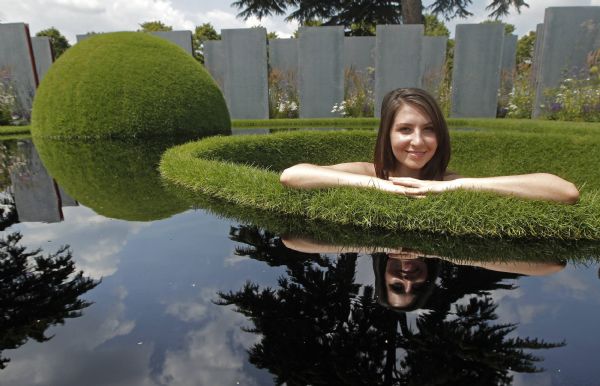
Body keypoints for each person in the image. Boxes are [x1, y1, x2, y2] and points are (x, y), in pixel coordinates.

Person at [280, 88, 580, 204]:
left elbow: (565, 192)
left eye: (429, 130)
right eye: (405, 129)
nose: (418, 142)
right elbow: (292, 176)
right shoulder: (368, 171)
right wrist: (382, 186)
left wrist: (444, 188)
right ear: (387, 135)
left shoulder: (448, 180)